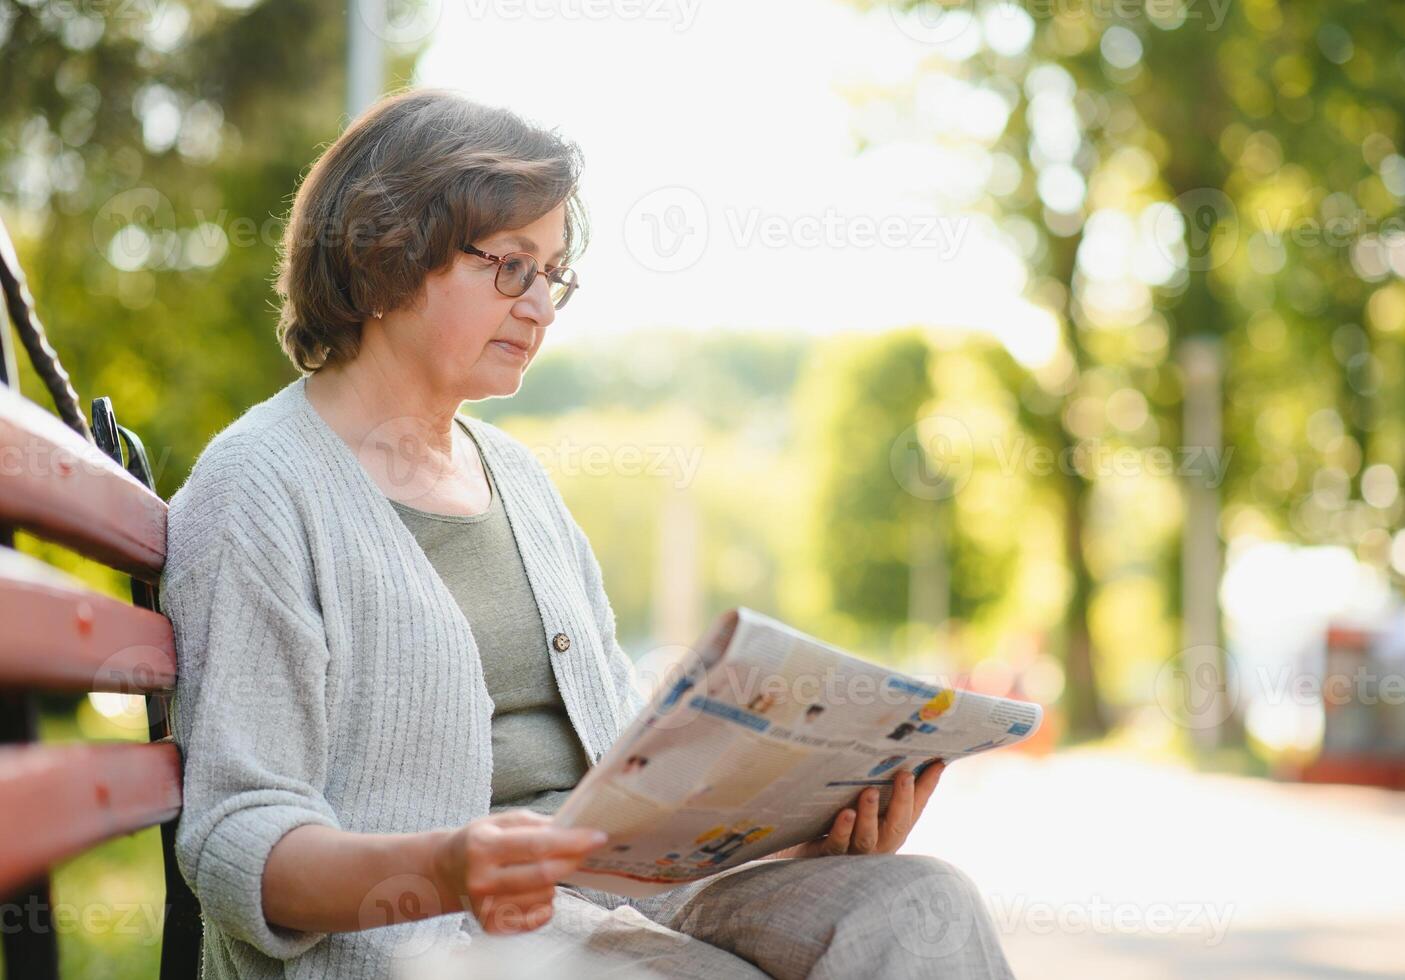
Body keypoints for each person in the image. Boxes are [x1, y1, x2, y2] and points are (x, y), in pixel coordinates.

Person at [163, 87, 1016, 980]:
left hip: (615, 898)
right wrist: (446, 870)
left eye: (554, 274)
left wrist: (804, 837)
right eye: (510, 267)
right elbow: (235, 836)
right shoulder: (258, 487)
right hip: (427, 943)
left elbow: (624, 765)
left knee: (921, 906)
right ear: (388, 254)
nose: (541, 306)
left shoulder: (519, 483)